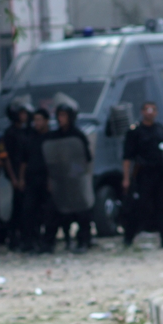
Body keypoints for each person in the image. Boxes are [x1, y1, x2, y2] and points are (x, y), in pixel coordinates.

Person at [122, 101, 163, 248]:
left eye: (153, 109)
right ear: (142, 112)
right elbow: (127, 157)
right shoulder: (135, 131)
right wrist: (126, 178)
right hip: (142, 174)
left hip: (159, 173)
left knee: (161, 206)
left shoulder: (159, 129)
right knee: (140, 206)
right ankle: (129, 237)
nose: (150, 112)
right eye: (147, 109)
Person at [43, 101, 93, 254]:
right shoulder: (52, 136)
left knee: (81, 213)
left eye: (64, 115)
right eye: (59, 115)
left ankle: (84, 241)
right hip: (59, 180)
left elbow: (86, 158)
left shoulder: (77, 135)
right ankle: (49, 244)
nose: (61, 118)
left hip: (75, 180)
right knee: (54, 212)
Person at [0, 99, 32, 250]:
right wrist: (14, 178)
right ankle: (13, 238)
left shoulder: (27, 131)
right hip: (14, 175)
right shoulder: (9, 133)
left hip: (27, 174)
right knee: (15, 209)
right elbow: (6, 158)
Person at [19, 107, 51, 253]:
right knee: (29, 211)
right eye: (35, 120)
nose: (36, 123)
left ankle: (47, 242)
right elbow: (24, 161)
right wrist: (21, 178)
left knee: (48, 213)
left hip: (47, 179)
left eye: (39, 120)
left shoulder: (51, 138)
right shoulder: (30, 138)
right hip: (31, 180)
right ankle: (31, 241)